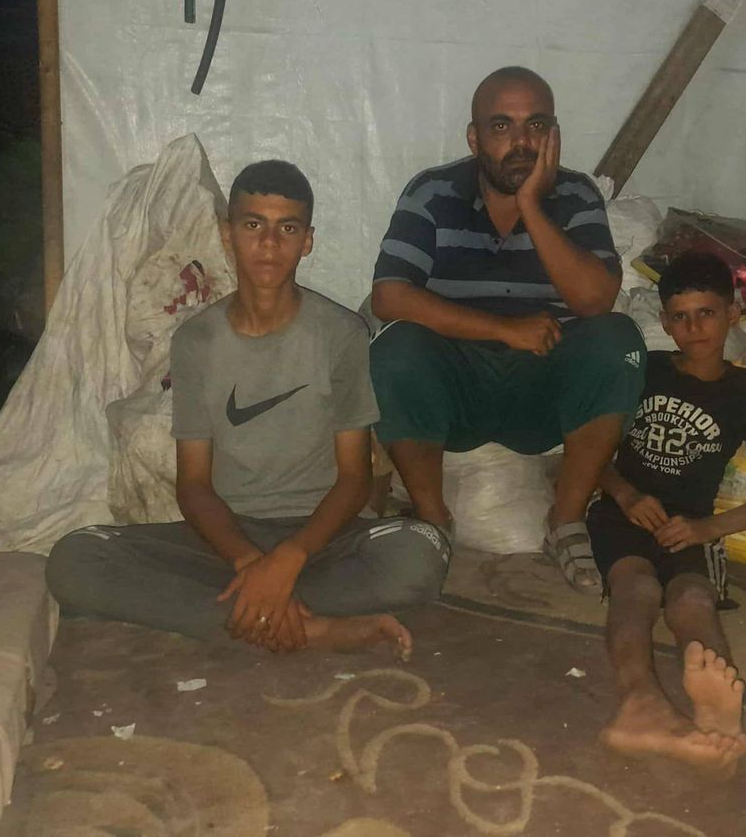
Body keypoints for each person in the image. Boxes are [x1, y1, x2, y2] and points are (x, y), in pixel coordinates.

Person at [47, 161, 449, 656]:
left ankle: (247, 612)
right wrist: (247, 562)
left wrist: (288, 559)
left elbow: (354, 479)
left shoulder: (341, 334)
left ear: (307, 241)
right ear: (227, 234)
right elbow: (193, 484)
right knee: (75, 557)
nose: (269, 243)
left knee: (420, 553)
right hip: (225, 541)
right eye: (253, 224)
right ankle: (309, 625)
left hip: (321, 536)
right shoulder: (197, 341)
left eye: (288, 228)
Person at [369, 66, 645, 594]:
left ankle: (564, 521)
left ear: (554, 135)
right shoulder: (431, 193)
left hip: (545, 386)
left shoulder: (576, 195)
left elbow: (595, 299)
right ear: (474, 138)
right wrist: (503, 329)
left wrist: (532, 208)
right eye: (502, 127)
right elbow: (389, 296)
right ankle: (434, 522)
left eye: (536, 126)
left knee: (619, 343)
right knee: (396, 349)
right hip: (458, 389)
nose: (521, 142)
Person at [587, 251, 746, 772]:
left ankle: (716, 709)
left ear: (732, 315)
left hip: (695, 524)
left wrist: (707, 528)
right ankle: (639, 703)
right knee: (637, 588)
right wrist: (627, 495)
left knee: (692, 599)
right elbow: (588, 454)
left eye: (706, 313)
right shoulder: (647, 371)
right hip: (623, 507)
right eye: (680, 316)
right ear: (664, 324)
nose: (693, 327)